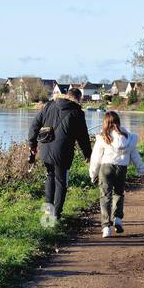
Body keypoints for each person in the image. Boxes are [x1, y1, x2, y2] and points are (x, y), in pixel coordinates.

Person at [27, 87, 92, 221]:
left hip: (45, 148)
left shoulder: (50, 105)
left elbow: (34, 125)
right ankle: (56, 215)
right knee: (61, 181)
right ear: (78, 98)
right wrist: (88, 154)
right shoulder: (77, 112)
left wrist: (32, 144)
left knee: (50, 177)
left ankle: (48, 212)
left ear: (67, 95)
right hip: (63, 152)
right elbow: (83, 137)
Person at [88, 110, 144, 238]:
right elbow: (134, 155)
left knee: (105, 196)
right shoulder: (128, 137)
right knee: (119, 193)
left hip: (106, 167)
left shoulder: (103, 137)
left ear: (105, 123)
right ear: (118, 122)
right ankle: (118, 219)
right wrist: (141, 168)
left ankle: (106, 227)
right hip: (122, 168)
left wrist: (93, 173)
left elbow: (96, 158)